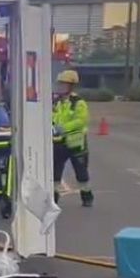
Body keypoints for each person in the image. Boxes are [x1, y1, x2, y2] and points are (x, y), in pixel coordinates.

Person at [52, 70, 92, 207]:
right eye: (60, 84)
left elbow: (81, 121)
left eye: (64, 84)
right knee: (55, 174)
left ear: (71, 86)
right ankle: (53, 198)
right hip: (58, 144)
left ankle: (87, 196)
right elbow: (52, 117)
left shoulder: (78, 103)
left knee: (81, 174)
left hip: (76, 144)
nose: (60, 86)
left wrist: (63, 128)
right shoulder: (56, 101)